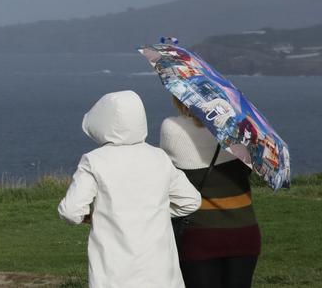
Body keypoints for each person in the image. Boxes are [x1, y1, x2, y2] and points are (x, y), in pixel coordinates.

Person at [57, 90, 202, 288]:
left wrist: (90, 216)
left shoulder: (94, 161)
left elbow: (70, 211)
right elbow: (191, 200)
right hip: (161, 275)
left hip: (113, 276)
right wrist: (154, 211)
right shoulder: (159, 158)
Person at [159, 97, 261, 288]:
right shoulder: (240, 131)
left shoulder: (171, 128)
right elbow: (247, 171)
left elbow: (166, 174)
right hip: (244, 232)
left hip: (199, 234)